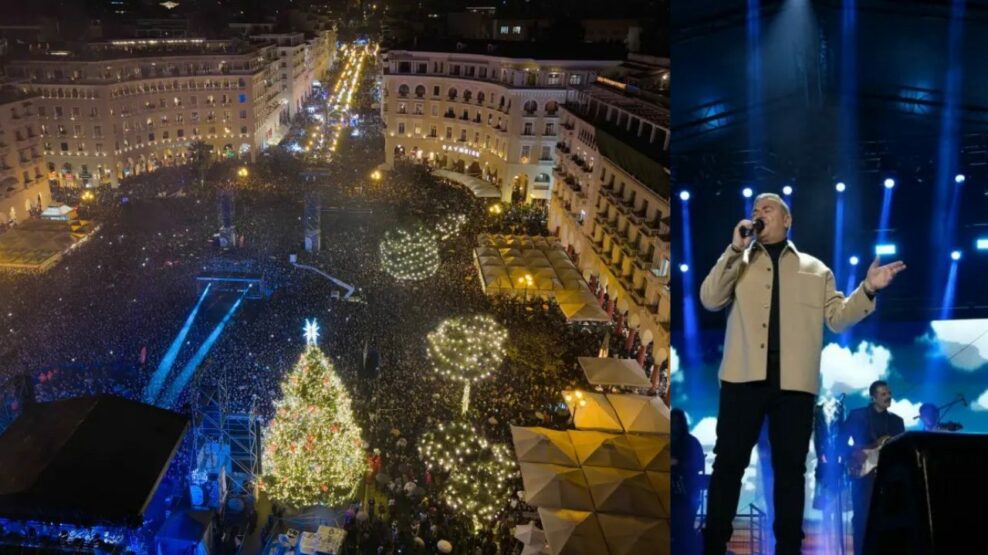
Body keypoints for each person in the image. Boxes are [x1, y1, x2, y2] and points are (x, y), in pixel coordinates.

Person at [698, 193, 906, 555]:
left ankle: (789, 548)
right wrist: (733, 250)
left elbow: (838, 319)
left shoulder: (816, 269)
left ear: (787, 219)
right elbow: (710, 299)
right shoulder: (738, 261)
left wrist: (868, 288)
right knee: (729, 462)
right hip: (741, 378)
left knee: (791, 469)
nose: (758, 214)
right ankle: (714, 543)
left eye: (767, 208)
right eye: (755, 209)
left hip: (794, 385)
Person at [840, 380, 905, 555]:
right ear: (873, 397)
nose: (888, 396)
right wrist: (854, 453)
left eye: (889, 393)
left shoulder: (897, 422)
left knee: (888, 517)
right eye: (883, 394)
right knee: (862, 518)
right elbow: (839, 442)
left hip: (887, 477)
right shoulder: (858, 415)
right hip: (863, 475)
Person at [671, 409, 706, 555]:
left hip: (687, 494)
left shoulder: (691, 442)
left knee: (684, 530)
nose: (674, 425)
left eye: (677, 422)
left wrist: (678, 463)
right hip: (673, 495)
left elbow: (699, 464)